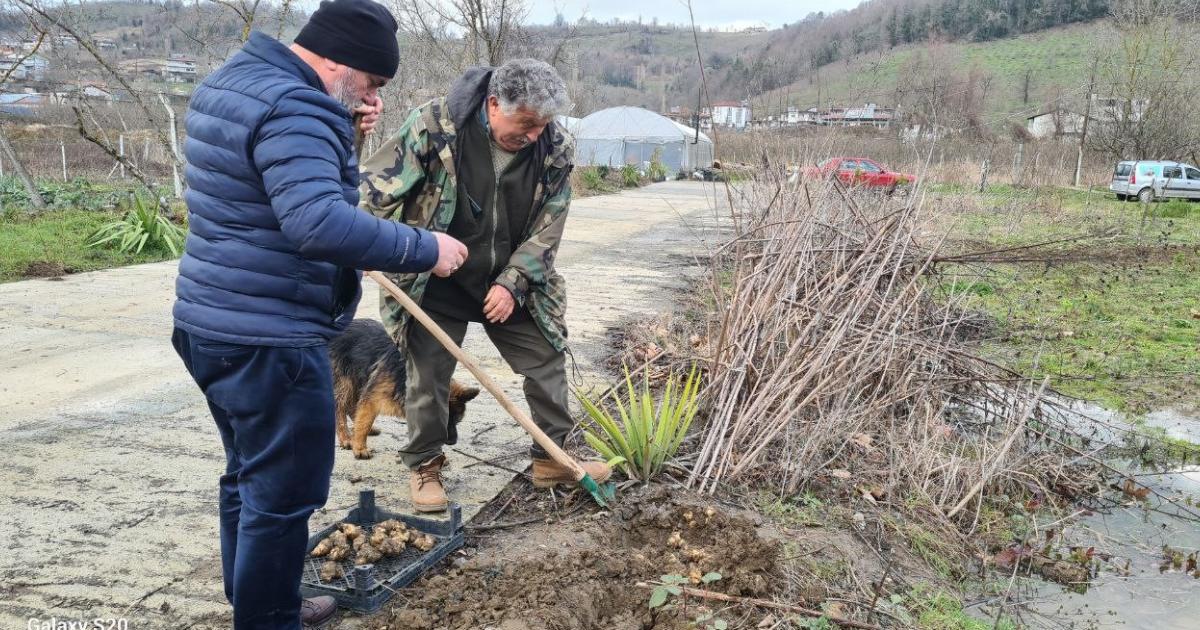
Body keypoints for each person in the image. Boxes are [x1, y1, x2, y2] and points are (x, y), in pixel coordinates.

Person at [170, 1, 467, 627]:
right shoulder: (298, 107)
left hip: (208, 321)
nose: (373, 94)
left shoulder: (233, 82)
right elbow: (318, 222)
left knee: (248, 474)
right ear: (337, 59)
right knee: (285, 494)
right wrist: (426, 248)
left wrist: (348, 131)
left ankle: (251, 596)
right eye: (373, 82)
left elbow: (286, 188)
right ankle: (270, 618)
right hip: (268, 337)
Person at [359, 58, 611, 513]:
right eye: (527, 123)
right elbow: (376, 190)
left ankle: (553, 457)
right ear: (494, 104)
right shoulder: (435, 126)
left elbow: (550, 223)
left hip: (512, 281)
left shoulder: (552, 146)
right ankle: (425, 463)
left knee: (546, 360)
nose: (534, 134)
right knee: (427, 375)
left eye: (543, 124)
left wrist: (514, 281)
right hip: (436, 277)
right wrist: (356, 241)